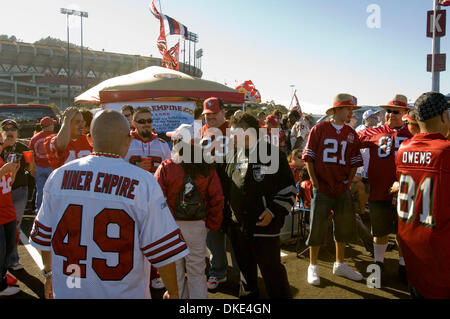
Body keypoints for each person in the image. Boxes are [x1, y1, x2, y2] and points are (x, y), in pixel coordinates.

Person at [28, 109, 188, 299]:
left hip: (70, 289)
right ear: (128, 140)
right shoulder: (144, 182)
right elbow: (163, 251)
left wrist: (50, 273)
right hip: (123, 293)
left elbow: (43, 238)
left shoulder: (59, 176)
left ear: (89, 139)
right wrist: (174, 292)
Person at [225, 112, 295, 298]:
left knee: (273, 275)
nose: (230, 137)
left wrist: (273, 211)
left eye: (233, 132)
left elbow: (289, 191)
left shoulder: (273, 154)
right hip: (238, 229)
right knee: (246, 278)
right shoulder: (231, 155)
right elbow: (226, 190)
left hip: (264, 228)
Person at [155, 124, 224, 299]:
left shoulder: (167, 166)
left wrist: (163, 225)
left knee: (175, 272)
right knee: (196, 272)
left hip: (171, 227)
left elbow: (157, 201)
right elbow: (217, 199)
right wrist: (211, 225)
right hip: (198, 226)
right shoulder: (207, 166)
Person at [302, 93, 364, 286]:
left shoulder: (352, 133)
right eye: (348, 109)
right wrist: (315, 181)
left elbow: (355, 160)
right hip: (322, 186)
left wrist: (348, 182)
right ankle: (313, 265)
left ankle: (340, 263)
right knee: (317, 227)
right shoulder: (319, 129)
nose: (350, 113)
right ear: (337, 109)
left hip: (341, 186)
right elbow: (309, 158)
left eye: (352, 110)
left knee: (344, 226)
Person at [395, 92, 450, 299]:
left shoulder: (403, 149)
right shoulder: (445, 152)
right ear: (444, 115)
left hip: (413, 248)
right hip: (440, 254)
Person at [358, 94, 412, 284]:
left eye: (395, 112)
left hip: (406, 193)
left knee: (403, 233)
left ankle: (404, 267)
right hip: (379, 191)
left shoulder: (414, 133)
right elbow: (351, 144)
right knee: (379, 231)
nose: (390, 115)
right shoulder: (373, 131)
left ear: (405, 113)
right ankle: (378, 265)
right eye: (388, 111)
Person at [124, 106, 171, 289]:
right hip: (130, 197)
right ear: (134, 123)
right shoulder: (126, 142)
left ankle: (153, 274)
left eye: (149, 121)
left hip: (154, 198)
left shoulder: (161, 144)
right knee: (132, 239)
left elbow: (169, 170)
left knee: (153, 238)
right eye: (142, 121)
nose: (146, 125)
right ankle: (134, 274)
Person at [200, 97, 237, 290]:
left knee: (236, 234)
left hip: (233, 188)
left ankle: (243, 274)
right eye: (207, 114)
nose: (211, 118)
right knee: (213, 233)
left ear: (224, 112)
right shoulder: (203, 130)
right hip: (210, 190)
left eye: (214, 113)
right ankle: (218, 272)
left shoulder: (235, 129)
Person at [1, 119, 35, 271]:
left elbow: (30, 171)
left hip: (19, 190)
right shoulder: (0, 148)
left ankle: (13, 260)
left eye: (12, 129)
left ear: (17, 132)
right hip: (2, 192)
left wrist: (29, 165)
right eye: (6, 129)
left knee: (14, 226)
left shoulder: (23, 147)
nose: (9, 131)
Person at [0, 134, 21, 296]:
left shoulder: (1, 160)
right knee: (1, 252)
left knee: (8, 250)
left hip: (8, 213)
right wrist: (3, 171)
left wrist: (13, 172)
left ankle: (2, 279)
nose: (1, 146)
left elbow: (8, 184)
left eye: (1, 143)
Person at [29, 117, 55, 212]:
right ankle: (51, 210)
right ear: (50, 125)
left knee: (40, 190)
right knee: (52, 190)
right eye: (53, 124)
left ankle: (39, 210)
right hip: (52, 167)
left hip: (39, 167)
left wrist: (32, 168)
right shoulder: (55, 136)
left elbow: (31, 154)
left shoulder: (34, 138)